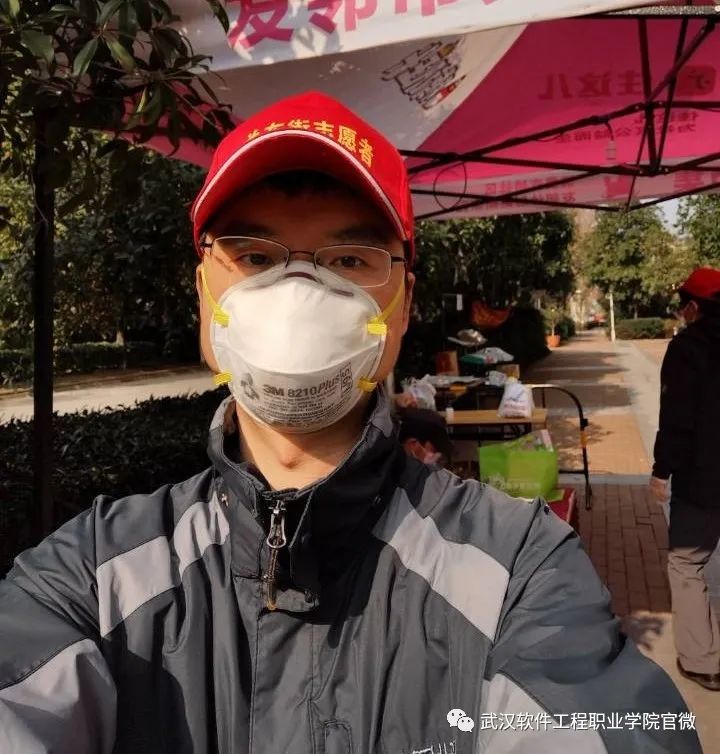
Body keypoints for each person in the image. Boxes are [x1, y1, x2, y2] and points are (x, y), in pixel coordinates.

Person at [0, 92, 699, 754]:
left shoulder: (518, 569)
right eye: (255, 257)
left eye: (348, 261)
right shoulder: (91, 577)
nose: (298, 294)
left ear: (402, 307)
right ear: (204, 295)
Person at [650, 266, 720, 692]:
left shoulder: (688, 348)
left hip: (703, 478)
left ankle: (702, 661)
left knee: (687, 563)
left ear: (693, 307)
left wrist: (662, 471)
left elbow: (677, 417)